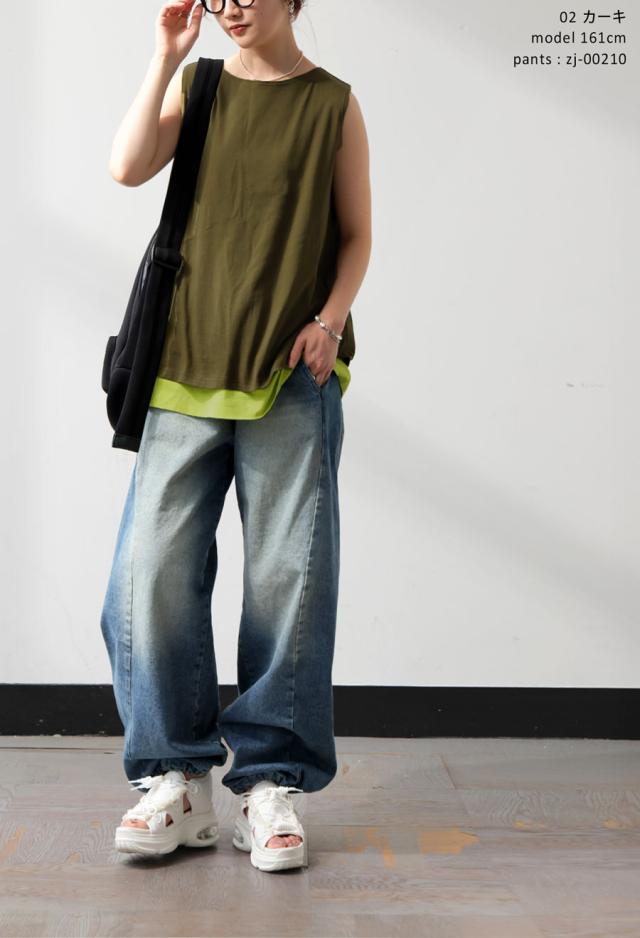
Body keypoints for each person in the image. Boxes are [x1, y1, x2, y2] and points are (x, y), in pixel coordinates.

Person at [100, 0, 371, 873]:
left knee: (289, 579)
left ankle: (270, 783)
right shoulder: (201, 84)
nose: (232, 7)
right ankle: (175, 779)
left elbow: (357, 234)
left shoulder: (331, 102)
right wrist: (164, 55)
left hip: (291, 376)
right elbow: (126, 167)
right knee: (149, 572)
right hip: (184, 366)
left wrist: (330, 321)